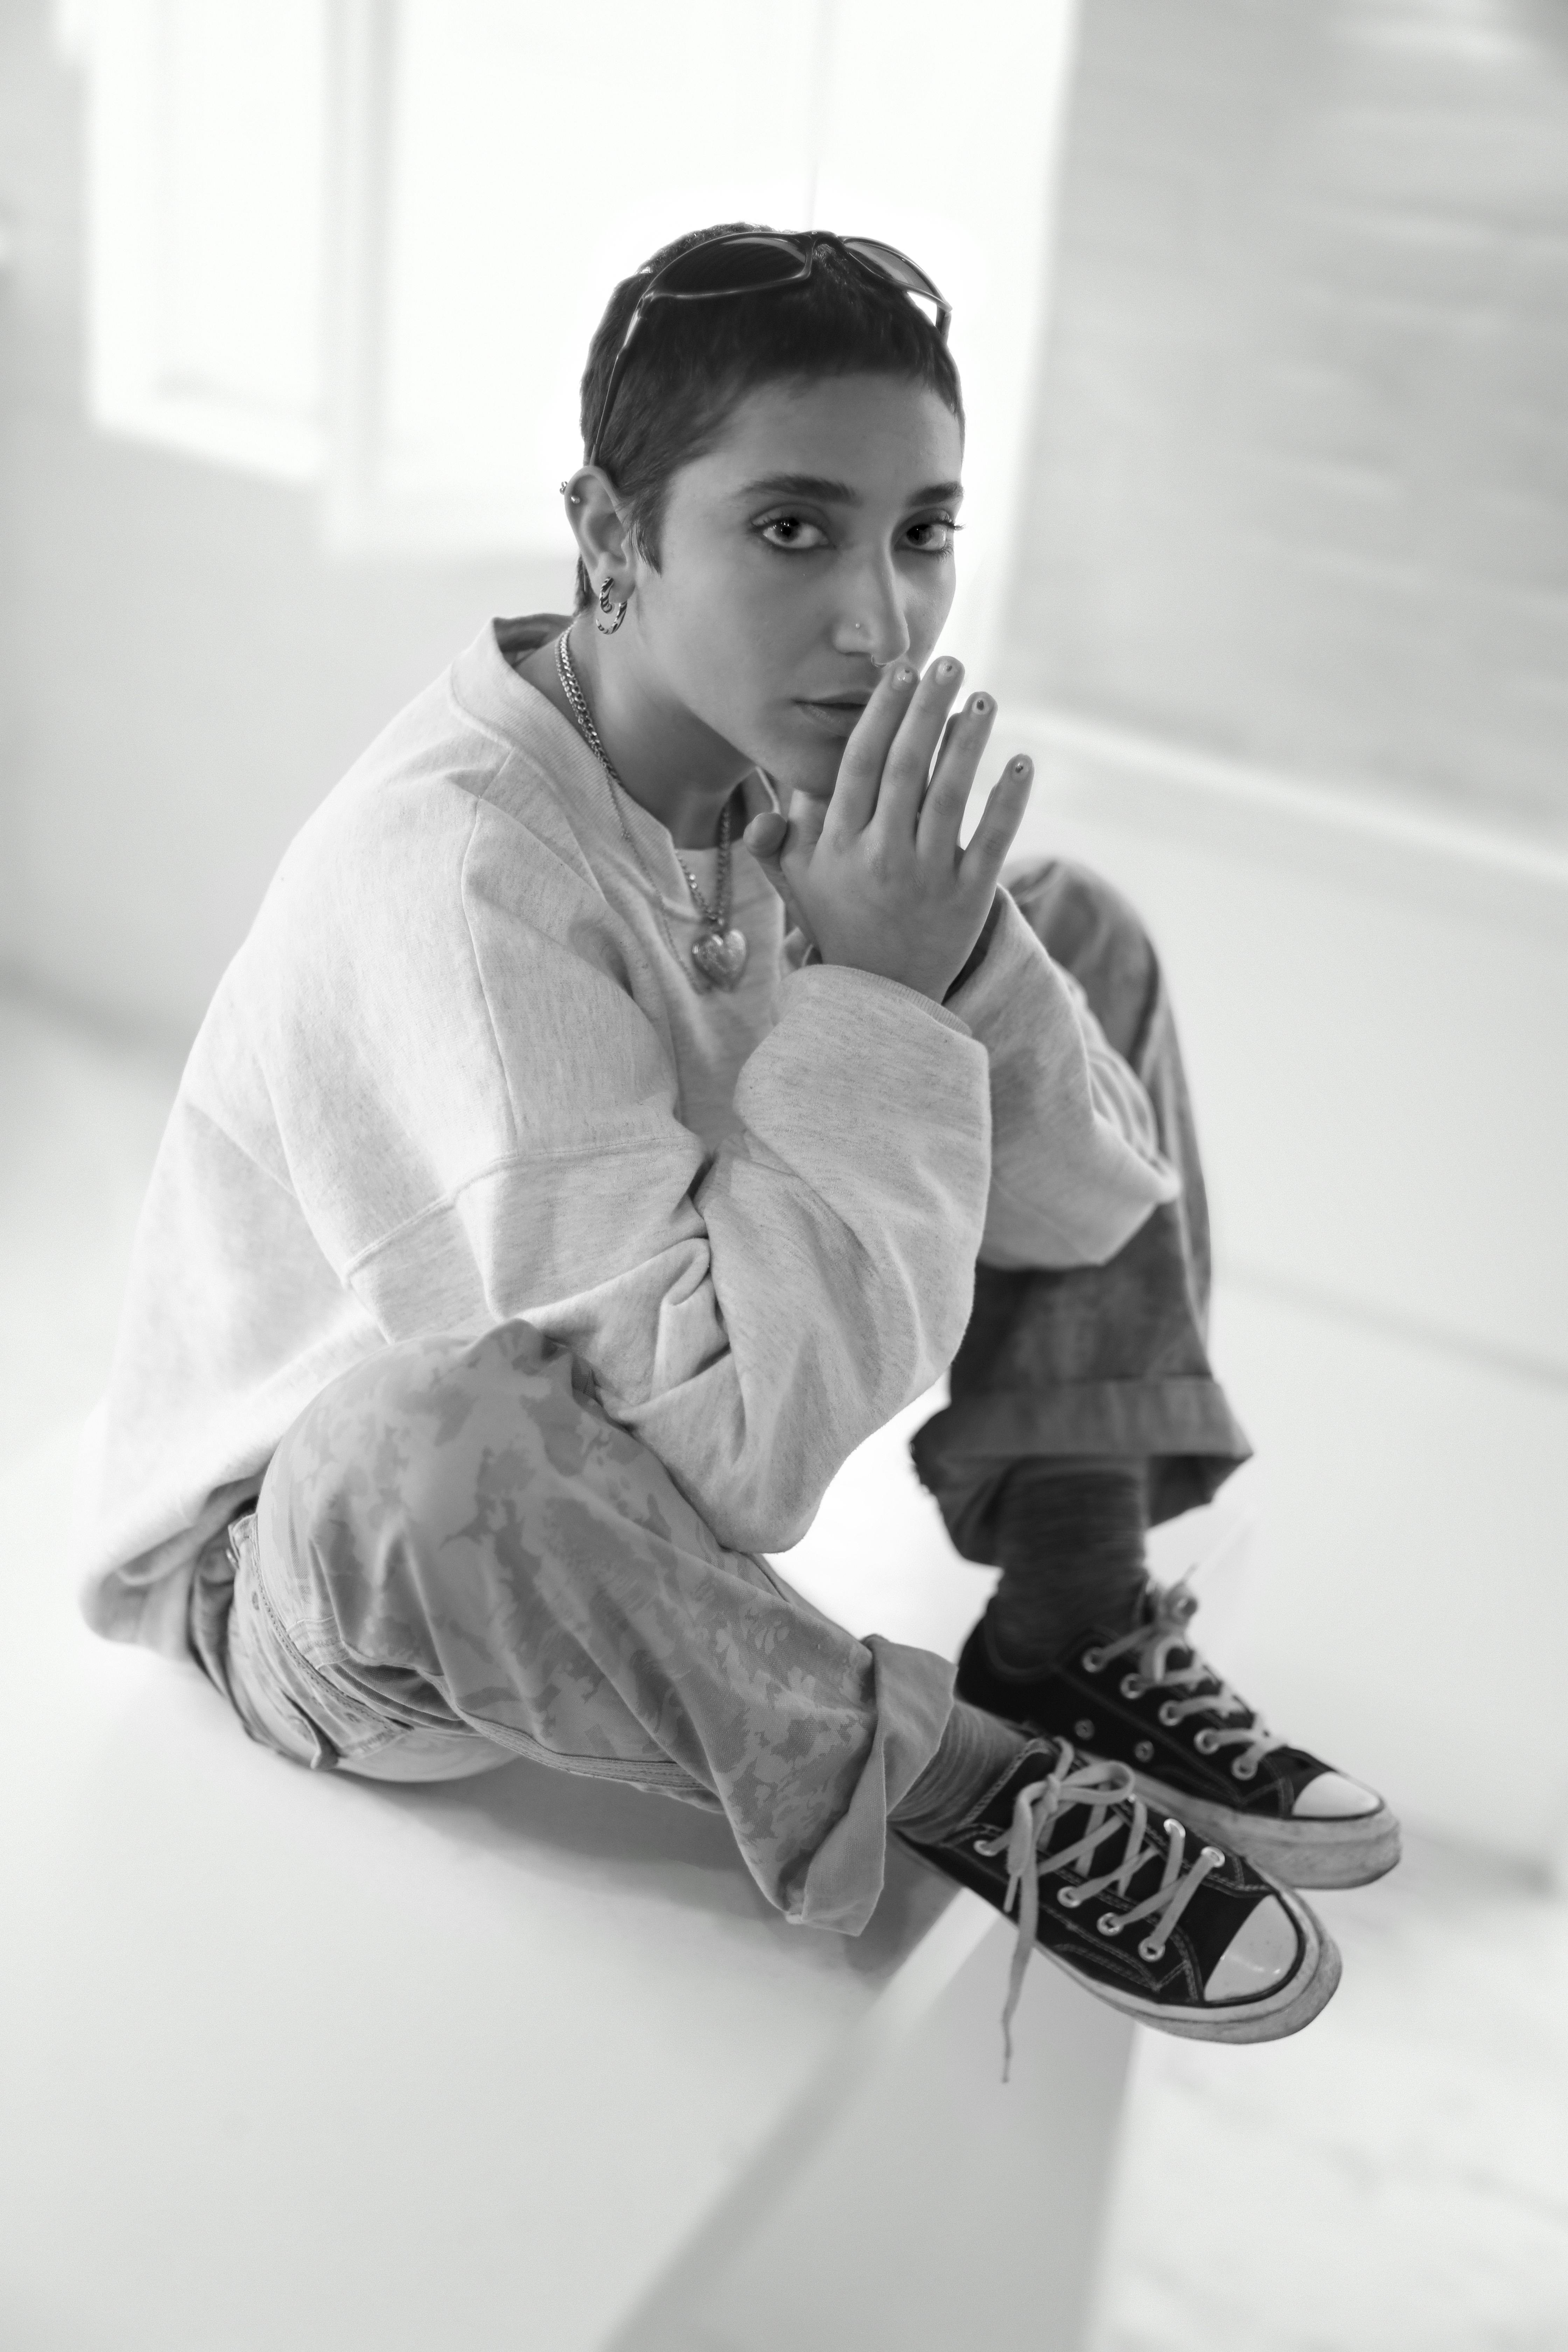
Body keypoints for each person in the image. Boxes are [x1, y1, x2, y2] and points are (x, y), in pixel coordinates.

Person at [77, 224, 1397, 2056]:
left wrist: (953, 959)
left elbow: (1091, 1195)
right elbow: (715, 1475)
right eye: (793, 530)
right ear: (614, 545)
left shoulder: (755, 762)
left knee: (1066, 924)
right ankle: (941, 1767)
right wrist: (883, 999)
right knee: (427, 1430)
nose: (881, 619)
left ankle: (1077, 1623)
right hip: (341, 1575)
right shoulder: (469, 893)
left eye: (921, 532)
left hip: (621, 1423)